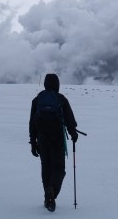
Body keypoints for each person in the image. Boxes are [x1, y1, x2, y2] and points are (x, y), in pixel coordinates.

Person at [29, 74, 78, 212]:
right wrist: (73, 133)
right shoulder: (61, 99)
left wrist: (33, 143)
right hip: (57, 138)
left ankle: (47, 196)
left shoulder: (37, 100)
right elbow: (69, 119)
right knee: (59, 168)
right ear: (57, 84)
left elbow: (32, 123)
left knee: (46, 168)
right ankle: (53, 191)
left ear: (45, 84)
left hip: (42, 138)